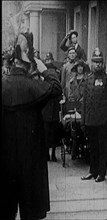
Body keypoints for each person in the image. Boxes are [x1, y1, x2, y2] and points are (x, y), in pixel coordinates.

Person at [1, 32, 62, 220]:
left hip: (5, 163)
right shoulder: (33, 86)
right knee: (31, 212)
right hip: (30, 162)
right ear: (28, 65)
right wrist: (44, 68)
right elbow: (56, 87)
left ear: (11, 63)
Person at [81, 48, 107, 182]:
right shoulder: (88, 79)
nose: (98, 65)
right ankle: (92, 171)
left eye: (100, 62)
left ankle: (101, 173)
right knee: (93, 147)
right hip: (90, 121)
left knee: (102, 148)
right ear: (91, 63)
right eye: (95, 62)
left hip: (102, 121)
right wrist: (83, 121)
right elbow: (85, 102)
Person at [67, 60, 89, 160]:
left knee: (83, 124)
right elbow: (70, 94)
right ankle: (74, 146)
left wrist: (83, 98)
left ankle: (80, 145)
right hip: (75, 106)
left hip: (83, 106)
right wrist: (73, 99)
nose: (80, 68)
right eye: (78, 67)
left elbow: (88, 92)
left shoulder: (87, 80)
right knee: (73, 123)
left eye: (82, 67)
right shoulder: (72, 81)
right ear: (76, 69)